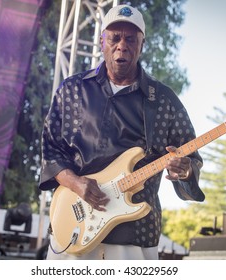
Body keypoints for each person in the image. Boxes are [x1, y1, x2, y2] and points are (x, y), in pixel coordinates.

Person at [38, 4, 205, 260]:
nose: (122, 45)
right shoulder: (72, 90)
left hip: (134, 235)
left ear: (142, 45)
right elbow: (51, 149)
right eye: (115, 37)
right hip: (72, 224)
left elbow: (190, 156)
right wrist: (75, 182)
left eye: (131, 39)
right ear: (101, 40)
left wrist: (185, 170)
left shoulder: (163, 100)